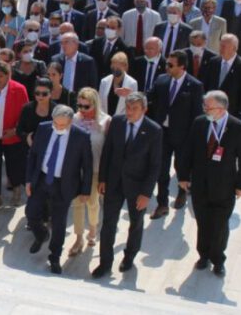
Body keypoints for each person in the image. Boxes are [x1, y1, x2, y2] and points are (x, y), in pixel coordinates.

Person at [179, 90, 241, 277]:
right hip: (200, 184)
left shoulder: (237, 127)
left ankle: (218, 259)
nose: (205, 110)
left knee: (219, 225)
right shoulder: (199, 123)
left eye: (208, 107)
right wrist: (183, 176)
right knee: (203, 222)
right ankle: (203, 255)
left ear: (221, 108)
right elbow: (188, 150)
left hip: (224, 186)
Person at [92, 92, 162, 278]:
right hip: (114, 183)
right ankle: (105, 263)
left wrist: (146, 193)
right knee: (108, 223)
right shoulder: (117, 122)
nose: (130, 112)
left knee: (135, 223)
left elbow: (155, 165)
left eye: (135, 109)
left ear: (144, 110)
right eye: (128, 108)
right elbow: (107, 151)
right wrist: (103, 179)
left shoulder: (154, 130)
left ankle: (129, 257)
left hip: (137, 187)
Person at [25, 105, 93, 274]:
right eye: (56, 124)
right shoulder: (43, 128)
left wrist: (85, 190)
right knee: (31, 212)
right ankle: (41, 235)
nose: (58, 127)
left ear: (70, 122)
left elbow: (87, 165)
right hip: (42, 179)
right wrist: (28, 180)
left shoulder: (81, 137)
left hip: (64, 185)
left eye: (62, 125)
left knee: (59, 222)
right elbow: (33, 155)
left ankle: (54, 256)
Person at [146, 50, 203, 220]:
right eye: (166, 64)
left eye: (171, 65)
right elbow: (150, 99)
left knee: (181, 168)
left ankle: (181, 193)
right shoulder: (161, 80)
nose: (167, 67)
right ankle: (162, 203)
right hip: (162, 133)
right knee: (161, 169)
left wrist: (193, 139)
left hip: (183, 136)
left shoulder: (194, 86)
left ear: (182, 66)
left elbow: (197, 114)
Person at [0, 61, 29, 213]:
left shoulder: (19, 89)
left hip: (10, 136)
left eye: (1, 76)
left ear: (8, 75)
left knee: (13, 166)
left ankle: (16, 190)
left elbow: (25, 114)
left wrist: (15, 130)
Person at [69, 88, 111, 256]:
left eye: (86, 107)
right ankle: (78, 238)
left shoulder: (106, 121)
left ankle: (93, 228)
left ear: (95, 104)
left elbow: (109, 149)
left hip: (95, 169)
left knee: (92, 202)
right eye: (79, 106)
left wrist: (105, 176)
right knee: (77, 203)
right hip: (77, 170)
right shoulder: (74, 119)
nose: (82, 110)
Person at [203, 34, 241, 121]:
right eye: (220, 45)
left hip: (230, 114)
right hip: (210, 111)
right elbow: (206, 84)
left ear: (234, 48)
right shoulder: (213, 62)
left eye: (224, 46)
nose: (220, 49)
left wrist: (240, 113)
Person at [99, 52, 137, 116]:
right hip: (105, 120)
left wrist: (129, 95)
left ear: (125, 66)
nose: (115, 70)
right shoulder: (104, 81)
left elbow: (133, 104)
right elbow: (100, 103)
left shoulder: (132, 83)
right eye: (113, 68)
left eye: (118, 68)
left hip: (122, 120)